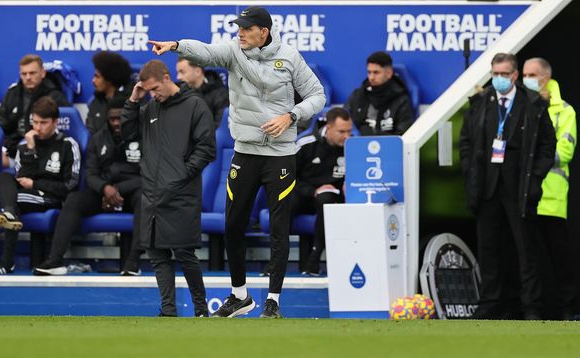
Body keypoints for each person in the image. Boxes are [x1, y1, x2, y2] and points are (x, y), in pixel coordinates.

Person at [148, 5, 326, 318]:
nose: (240, 33)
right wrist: (176, 46)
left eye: (246, 28)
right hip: (245, 151)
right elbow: (205, 52)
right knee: (233, 224)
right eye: (238, 27)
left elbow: (317, 95)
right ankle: (240, 296)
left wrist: (291, 115)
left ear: (264, 32)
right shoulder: (233, 51)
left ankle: (273, 301)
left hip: (281, 155)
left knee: (278, 229)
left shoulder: (290, 57)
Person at [459, 53, 556, 320]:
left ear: (514, 76)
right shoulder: (480, 103)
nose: (498, 79)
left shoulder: (533, 104)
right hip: (487, 186)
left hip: (519, 185)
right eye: (494, 74)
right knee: (488, 247)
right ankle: (489, 303)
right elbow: (466, 141)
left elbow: (548, 145)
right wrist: (470, 173)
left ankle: (531, 306)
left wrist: (535, 178)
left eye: (503, 74)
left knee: (526, 249)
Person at [121, 60, 215, 317]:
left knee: (185, 253)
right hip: (151, 193)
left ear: (166, 77)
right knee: (157, 255)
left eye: (154, 89)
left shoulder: (195, 105)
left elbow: (207, 149)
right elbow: (127, 135)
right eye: (148, 90)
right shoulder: (150, 106)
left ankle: (200, 309)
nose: (153, 94)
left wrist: (181, 176)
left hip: (182, 193)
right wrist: (133, 101)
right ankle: (169, 311)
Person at [33, 96, 144, 276]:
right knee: (74, 199)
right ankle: (55, 260)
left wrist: (117, 190)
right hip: (104, 193)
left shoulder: (146, 136)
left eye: (121, 118)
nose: (116, 123)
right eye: (112, 119)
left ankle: (133, 263)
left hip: (133, 192)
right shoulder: (98, 138)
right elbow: (90, 174)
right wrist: (105, 189)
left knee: (145, 198)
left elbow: (151, 176)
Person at [0, 96, 80, 274]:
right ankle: (9, 212)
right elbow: (21, 178)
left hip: (52, 198)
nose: (38, 128)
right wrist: (31, 150)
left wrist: (36, 183)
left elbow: (69, 186)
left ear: (56, 122)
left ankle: (6, 261)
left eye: (44, 123)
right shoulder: (25, 145)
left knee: (13, 200)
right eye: (35, 122)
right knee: (5, 177)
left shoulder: (68, 145)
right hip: (28, 194)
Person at [522, 57, 577, 320]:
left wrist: (531, 153)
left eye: (531, 74)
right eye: (523, 73)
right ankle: (532, 310)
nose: (526, 78)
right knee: (528, 260)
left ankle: (568, 310)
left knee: (559, 258)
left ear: (545, 77)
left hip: (552, 196)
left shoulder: (564, 110)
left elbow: (565, 152)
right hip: (523, 194)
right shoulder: (518, 106)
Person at [294, 107, 352, 275]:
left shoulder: (353, 146)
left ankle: (314, 260)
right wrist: (312, 191)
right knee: (284, 201)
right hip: (305, 193)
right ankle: (274, 264)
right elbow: (287, 177)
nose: (347, 136)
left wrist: (350, 184)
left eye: (349, 131)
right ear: (329, 127)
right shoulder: (305, 144)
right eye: (342, 131)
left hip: (332, 197)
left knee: (326, 200)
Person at [0, 54, 70, 167]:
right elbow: (0, 125)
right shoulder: (12, 93)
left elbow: (61, 131)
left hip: (42, 153)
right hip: (11, 151)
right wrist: (2, 147)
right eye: (24, 74)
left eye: (32, 73)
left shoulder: (55, 97)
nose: (28, 77)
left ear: (43, 73)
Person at [344, 51, 414, 136]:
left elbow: (403, 135)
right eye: (369, 72)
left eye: (376, 72)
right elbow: (343, 120)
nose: (371, 77)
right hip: (357, 144)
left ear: (389, 73)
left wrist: (373, 134)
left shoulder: (401, 100)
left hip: (388, 147)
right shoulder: (358, 94)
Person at [86, 51, 134, 134]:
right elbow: (90, 133)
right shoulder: (95, 103)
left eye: (97, 77)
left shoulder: (131, 102)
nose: (93, 81)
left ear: (109, 78)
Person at [176, 58, 229, 128]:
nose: (178, 77)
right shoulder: (179, 90)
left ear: (197, 71)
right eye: (178, 73)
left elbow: (221, 128)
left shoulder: (220, 94)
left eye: (182, 72)